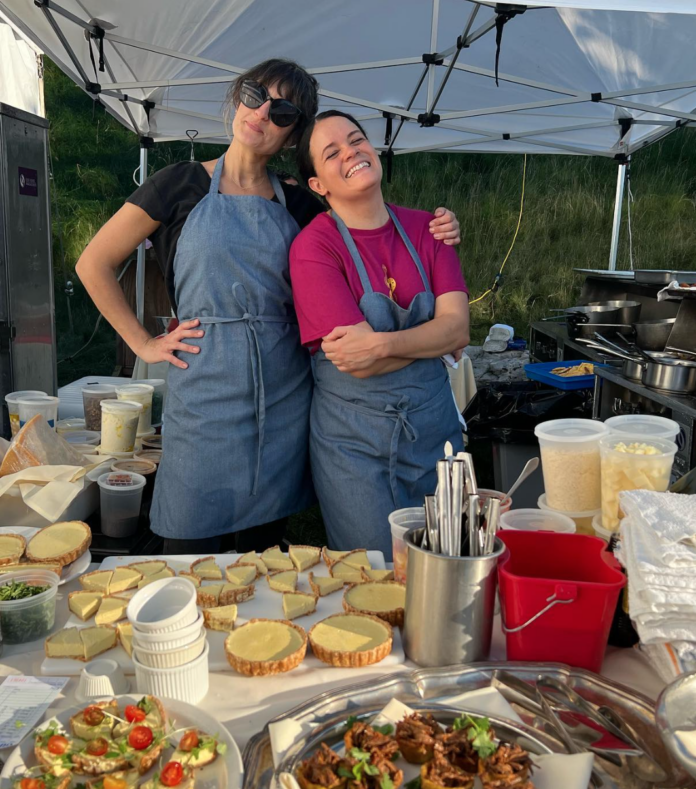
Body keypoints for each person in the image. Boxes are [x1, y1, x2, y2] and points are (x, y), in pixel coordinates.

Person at [76, 61, 462, 555]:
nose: (260, 113)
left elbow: (366, 223)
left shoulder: (301, 203)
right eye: (254, 94)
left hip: (284, 397)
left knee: (261, 561)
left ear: (291, 136)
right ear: (238, 95)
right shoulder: (178, 185)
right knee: (187, 548)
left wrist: (439, 228)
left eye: (281, 112)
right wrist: (142, 344)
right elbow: (94, 263)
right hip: (205, 396)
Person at [290, 111, 470, 558]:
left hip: (436, 434)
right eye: (332, 153)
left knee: (449, 565)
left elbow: (459, 327)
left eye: (356, 140)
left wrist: (383, 343)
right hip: (355, 447)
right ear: (318, 185)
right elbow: (356, 362)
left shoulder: (429, 229)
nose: (351, 152)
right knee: (372, 575)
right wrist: (433, 342)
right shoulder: (314, 247)